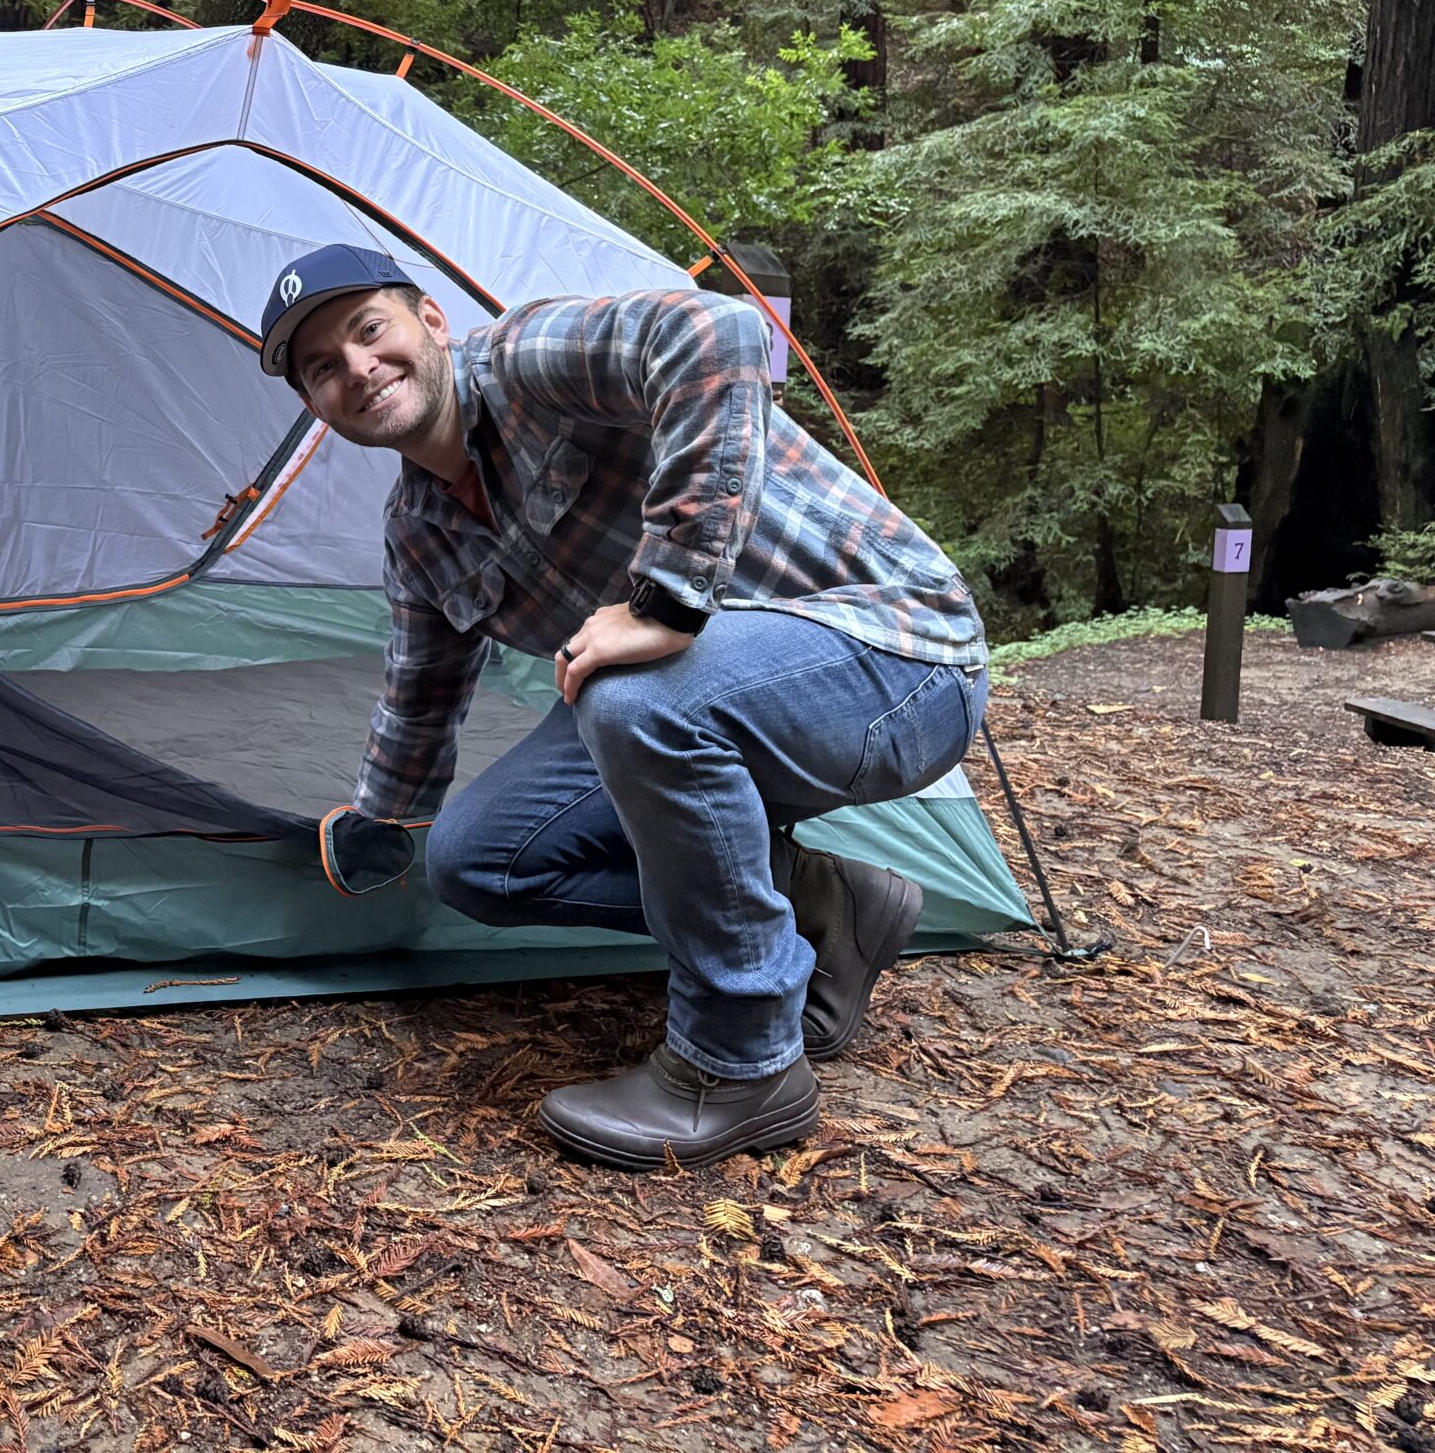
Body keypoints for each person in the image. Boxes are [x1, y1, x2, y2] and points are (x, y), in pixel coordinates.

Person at [258, 244, 988, 1170]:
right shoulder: (419, 533)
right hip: (698, 700)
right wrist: (379, 819)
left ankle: (742, 1059)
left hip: (895, 654)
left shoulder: (524, 362)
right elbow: (420, 696)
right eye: (322, 367)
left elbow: (718, 329)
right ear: (314, 404)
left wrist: (667, 597)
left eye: (369, 331)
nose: (358, 369)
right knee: (478, 862)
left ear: (431, 324)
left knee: (634, 699)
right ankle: (822, 902)